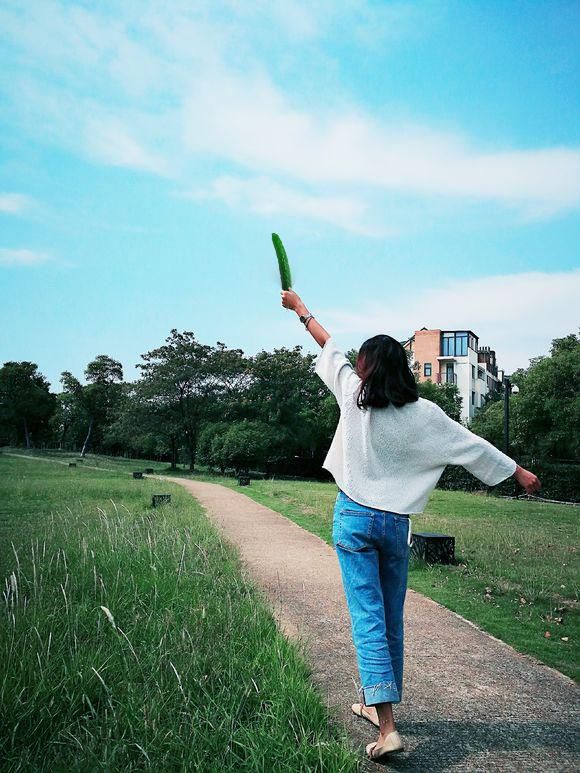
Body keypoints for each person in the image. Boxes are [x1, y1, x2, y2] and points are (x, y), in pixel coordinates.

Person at [280, 288, 541, 761]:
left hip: (355, 519)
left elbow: (327, 343)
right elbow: (473, 445)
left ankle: (388, 728)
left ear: (365, 369)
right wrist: (518, 472)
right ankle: (373, 702)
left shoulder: (354, 395)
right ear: (401, 370)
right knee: (390, 619)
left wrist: (300, 310)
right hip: (395, 526)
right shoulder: (425, 415)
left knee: (368, 620)